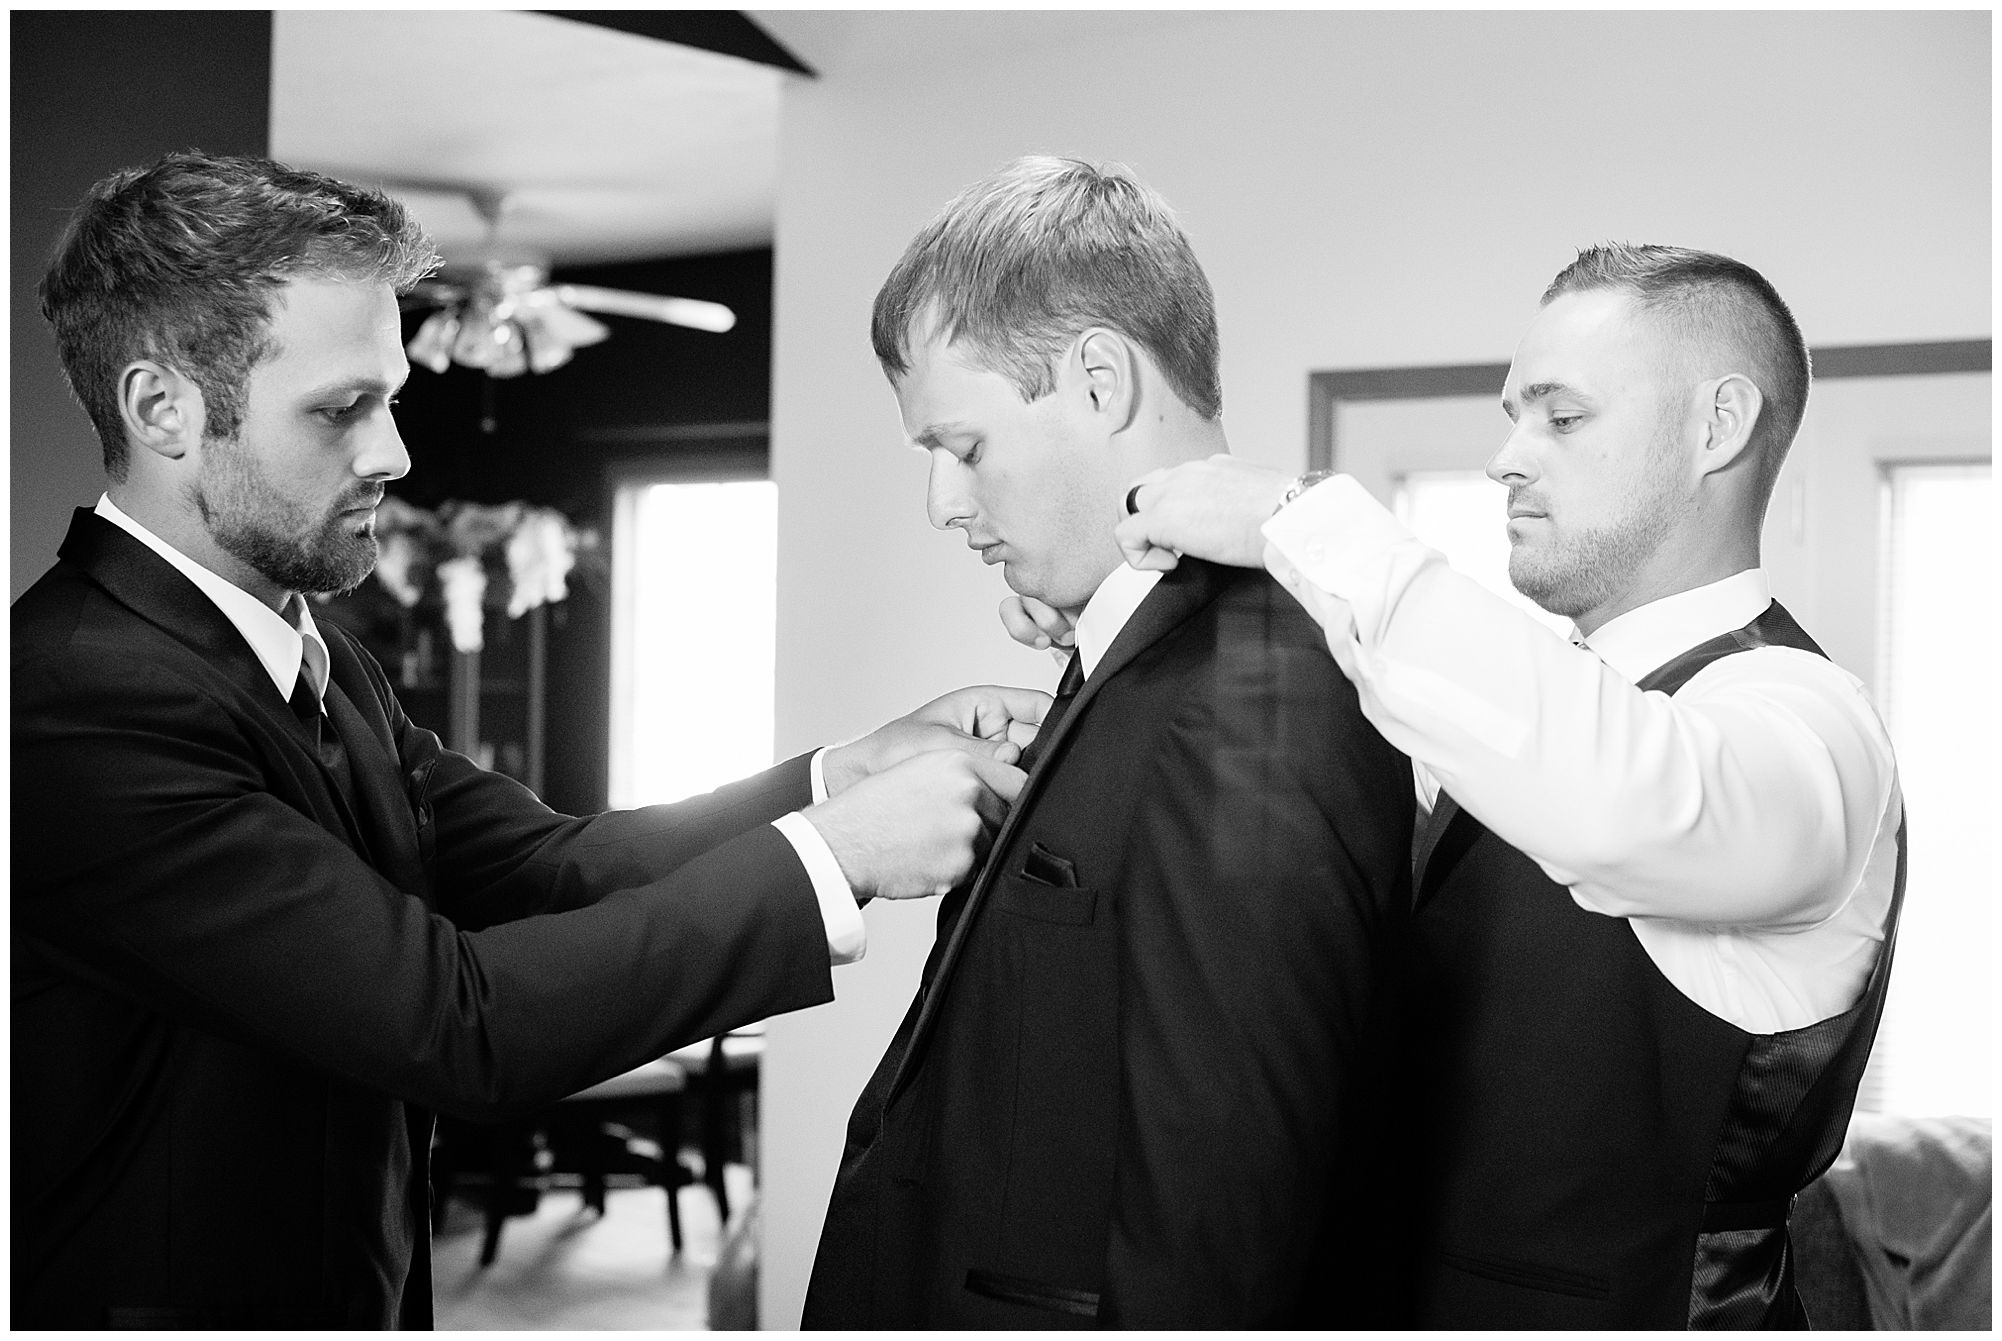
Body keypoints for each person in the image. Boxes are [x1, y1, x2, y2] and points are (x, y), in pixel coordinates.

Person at [11, 150, 1043, 1330]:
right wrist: (841, 855)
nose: (393, 454)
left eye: (390, 400)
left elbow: (549, 867)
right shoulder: (76, 701)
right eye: (340, 410)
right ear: (161, 409)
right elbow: (458, 1025)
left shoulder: (315, 656)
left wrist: (840, 777)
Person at [1098, 243, 1906, 1328]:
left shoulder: (1812, 728)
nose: (1504, 460)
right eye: (1514, 416)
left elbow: (1624, 801)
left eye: (1561, 417)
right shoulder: (1509, 715)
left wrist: (1306, 521)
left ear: (1718, 426)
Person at [802, 157, 1413, 1328]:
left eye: (963, 448)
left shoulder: (1259, 698)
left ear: (1097, 379)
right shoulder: (1150, 654)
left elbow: (1216, 1219)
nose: (941, 504)